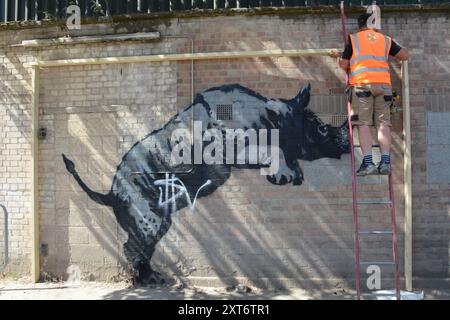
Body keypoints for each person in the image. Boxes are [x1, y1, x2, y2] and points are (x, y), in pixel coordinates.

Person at [329, 13, 409, 175]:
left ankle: (368, 164)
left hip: (362, 85)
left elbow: (345, 65)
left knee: (363, 123)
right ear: (373, 23)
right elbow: (405, 56)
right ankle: (385, 162)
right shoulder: (385, 39)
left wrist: (338, 58)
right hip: (384, 86)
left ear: (360, 25)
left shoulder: (354, 39)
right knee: (383, 123)